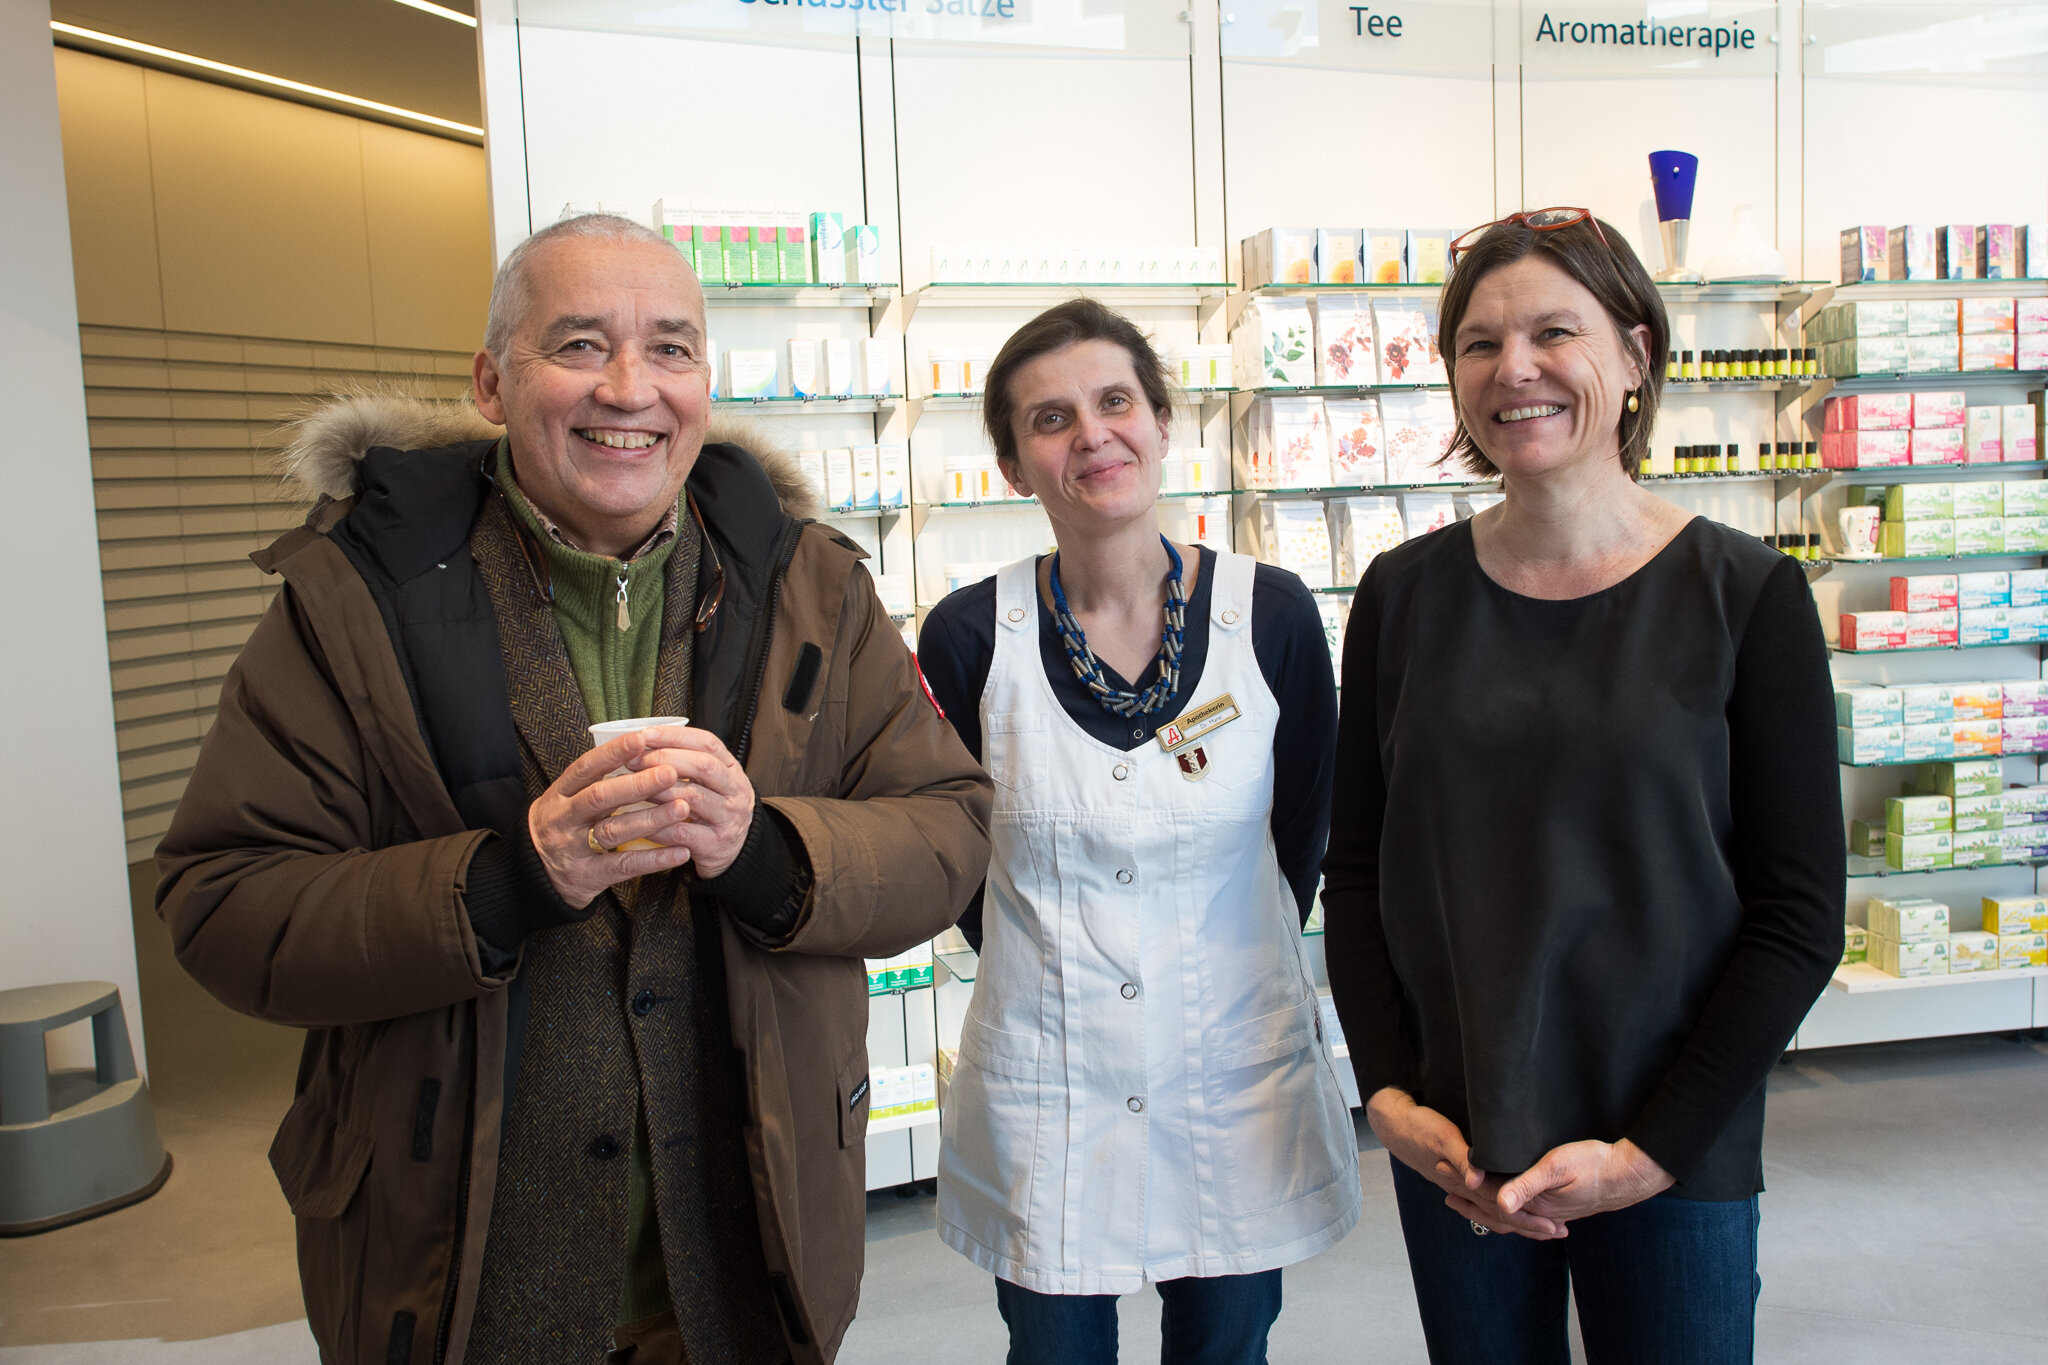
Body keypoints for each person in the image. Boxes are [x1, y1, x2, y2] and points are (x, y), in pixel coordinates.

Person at [155, 213, 992, 1365]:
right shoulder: (352, 600)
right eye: (580, 345)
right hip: (459, 1271)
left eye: (670, 348)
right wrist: (501, 883)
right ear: (493, 383)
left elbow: (948, 830)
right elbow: (221, 899)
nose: (629, 389)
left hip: (753, 1261)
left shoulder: (812, 587)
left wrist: (765, 851)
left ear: (706, 380)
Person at [1321, 209, 1843, 1363]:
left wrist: (1650, 1152)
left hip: (1670, 1152)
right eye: (1477, 342)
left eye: (1555, 332)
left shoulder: (1744, 597)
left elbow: (1798, 918)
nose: (1514, 370)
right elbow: (1354, 873)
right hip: (1459, 1150)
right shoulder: (1402, 598)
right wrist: (1388, 1095)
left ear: (1634, 355)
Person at [918, 299, 1360, 1365]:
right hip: (1048, 1082)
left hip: (1229, 1076)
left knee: (1225, 1348)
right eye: (1050, 419)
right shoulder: (970, 634)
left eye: (1115, 401)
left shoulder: (1272, 615)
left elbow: (1296, 839)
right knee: (1053, 1350)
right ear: (1015, 465)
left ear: (1164, 421)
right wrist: (1061, 976)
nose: (1092, 436)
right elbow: (960, 862)